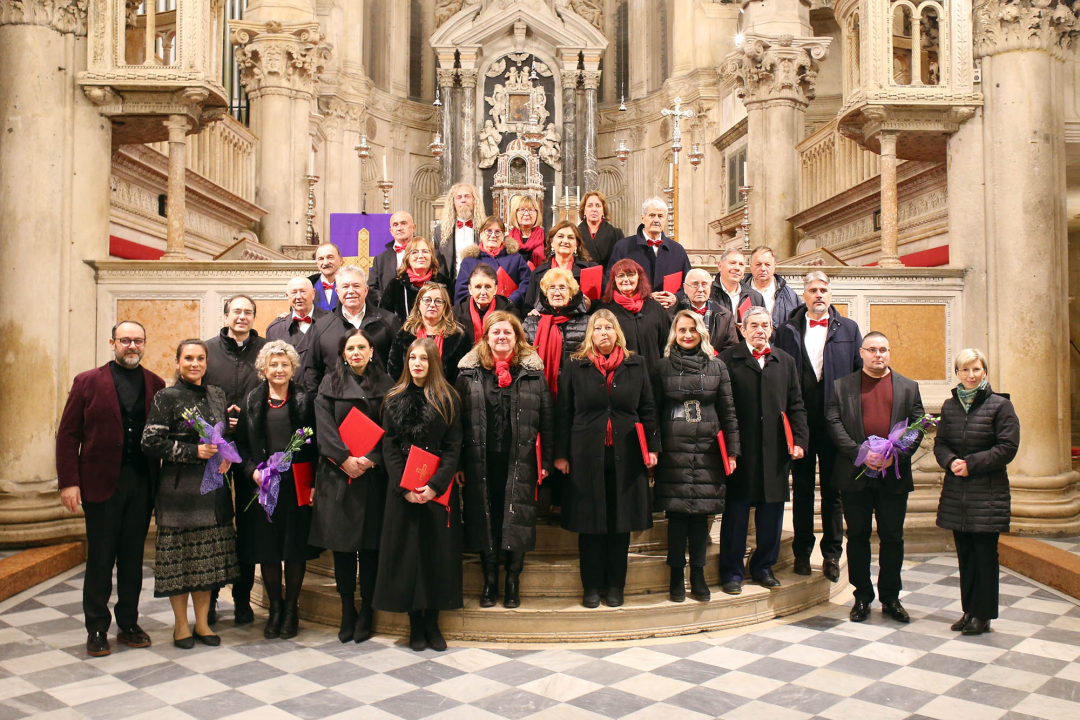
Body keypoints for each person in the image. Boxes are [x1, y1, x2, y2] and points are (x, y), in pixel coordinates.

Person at [56, 321, 166, 657]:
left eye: (138, 341)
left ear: (144, 344)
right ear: (112, 342)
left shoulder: (156, 384)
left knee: (133, 559)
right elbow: (68, 435)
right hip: (100, 483)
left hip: (142, 483)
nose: (132, 346)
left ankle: (129, 623)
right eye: (125, 340)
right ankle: (97, 627)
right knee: (101, 559)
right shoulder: (88, 381)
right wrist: (69, 482)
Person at [555, 310, 660, 608]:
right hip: (585, 455)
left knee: (620, 524)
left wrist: (653, 449)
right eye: (598, 327)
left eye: (609, 327)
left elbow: (648, 408)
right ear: (590, 333)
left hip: (628, 455)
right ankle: (591, 586)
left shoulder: (636, 363)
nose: (604, 332)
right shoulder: (575, 364)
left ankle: (616, 586)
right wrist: (561, 454)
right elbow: (564, 410)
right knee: (589, 524)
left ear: (617, 332)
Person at [141, 339, 240, 649]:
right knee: (180, 564)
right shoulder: (166, 397)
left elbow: (222, 435)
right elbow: (149, 443)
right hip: (179, 492)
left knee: (205, 564)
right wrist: (192, 451)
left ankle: (203, 624)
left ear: (206, 363)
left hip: (212, 492)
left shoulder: (216, 394)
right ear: (178, 362)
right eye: (188, 358)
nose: (194, 364)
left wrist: (226, 453)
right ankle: (181, 626)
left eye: (200, 358)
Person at [826, 331, 925, 623]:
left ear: (889, 352)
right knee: (857, 536)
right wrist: (860, 452)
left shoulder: (908, 387)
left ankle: (891, 597)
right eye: (872, 349)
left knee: (892, 537)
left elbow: (918, 424)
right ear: (862, 353)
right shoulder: (842, 386)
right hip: (855, 474)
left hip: (892, 475)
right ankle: (862, 596)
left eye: (883, 349)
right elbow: (833, 421)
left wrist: (898, 453)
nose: (878, 354)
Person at [455, 313, 553, 608]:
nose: (501, 337)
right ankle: (489, 581)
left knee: (517, 518)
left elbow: (547, 420)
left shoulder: (533, 373)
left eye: (507, 332)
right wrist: (459, 464)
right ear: (486, 337)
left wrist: (546, 460)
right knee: (485, 517)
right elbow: (456, 422)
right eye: (495, 332)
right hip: (480, 460)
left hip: (520, 460)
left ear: (517, 337)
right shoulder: (468, 374)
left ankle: (512, 580)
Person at [772, 271, 863, 583]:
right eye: (813, 290)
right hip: (801, 423)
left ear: (830, 294)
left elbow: (858, 375)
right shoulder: (786, 330)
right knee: (802, 490)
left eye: (823, 289)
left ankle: (832, 553)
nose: (819, 295)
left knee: (834, 491)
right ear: (805, 295)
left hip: (836, 424)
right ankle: (801, 552)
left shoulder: (849, 329)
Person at [374, 339, 464, 652]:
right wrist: (405, 487)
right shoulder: (394, 397)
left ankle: (433, 623)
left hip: (437, 490)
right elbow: (389, 446)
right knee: (408, 556)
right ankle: (415, 624)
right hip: (404, 491)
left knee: (436, 555)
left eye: (423, 358)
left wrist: (435, 486)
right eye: (412, 357)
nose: (416, 363)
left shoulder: (448, 398)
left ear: (433, 362)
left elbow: (453, 446)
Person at [310, 328, 395, 644]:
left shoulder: (387, 385)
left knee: (370, 550)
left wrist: (371, 459)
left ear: (372, 351)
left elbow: (392, 429)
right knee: (343, 550)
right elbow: (324, 429)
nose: (356, 353)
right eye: (350, 348)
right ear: (343, 354)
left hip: (373, 478)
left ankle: (368, 612)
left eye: (362, 347)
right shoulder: (328, 384)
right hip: (338, 478)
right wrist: (344, 458)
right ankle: (348, 609)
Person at [717, 307, 808, 595]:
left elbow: (796, 405)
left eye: (765, 325)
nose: (760, 330)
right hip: (741, 451)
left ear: (771, 329)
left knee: (772, 515)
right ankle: (732, 572)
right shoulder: (727, 360)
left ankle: (763, 568)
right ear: (742, 329)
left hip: (776, 450)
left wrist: (800, 440)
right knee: (736, 515)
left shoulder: (785, 361)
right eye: (753, 325)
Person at [235, 341, 319, 641]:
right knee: (268, 550)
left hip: (296, 485)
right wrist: (252, 471)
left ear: (293, 368)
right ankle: (274, 608)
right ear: (263, 369)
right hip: (264, 485)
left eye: (285, 364)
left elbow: (316, 446)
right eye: (273, 364)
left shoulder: (305, 400)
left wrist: (314, 483)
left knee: (294, 550)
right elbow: (241, 444)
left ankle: (291, 609)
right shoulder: (252, 400)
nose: (279, 369)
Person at [654, 311, 740, 602]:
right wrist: (654, 449)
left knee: (702, 515)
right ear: (674, 334)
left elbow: (728, 411)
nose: (687, 335)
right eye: (682, 330)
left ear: (701, 332)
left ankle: (699, 574)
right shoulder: (662, 366)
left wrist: (732, 450)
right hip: (674, 448)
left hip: (708, 449)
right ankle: (676, 575)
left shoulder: (717, 366)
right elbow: (653, 410)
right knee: (677, 515)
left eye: (692, 329)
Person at [934, 348, 1019, 635]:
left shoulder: (1000, 406)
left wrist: (971, 464)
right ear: (957, 373)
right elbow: (941, 443)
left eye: (976, 369)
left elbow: (1007, 447)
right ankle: (969, 610)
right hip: (957, 491)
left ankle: (983, 614)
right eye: (965, 370)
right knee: (966, 555)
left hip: (988, 493)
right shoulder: (950, 406)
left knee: (984, 555)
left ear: (984, 372)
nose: (971, 375)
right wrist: (950, 461)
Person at [204, 294, 267, 626]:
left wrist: (246, 416)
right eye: (236, 311)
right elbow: (194, 394)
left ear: (254, 317)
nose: (242, 317)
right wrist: (219, 421)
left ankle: (242, 598)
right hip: (213, 451)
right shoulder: (207, 350)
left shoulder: (266, 350)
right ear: (226, 315)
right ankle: (211, 597)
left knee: (249, 524)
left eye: (248, 312)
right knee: (215, 523)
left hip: (251, 450)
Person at [523, 267, 590, 523]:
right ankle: (539, 502)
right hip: (539, 394)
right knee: (541, 445)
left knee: (566, 446)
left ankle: (562, 503)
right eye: (552, 288)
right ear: (544, 292)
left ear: (572, 291)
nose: (557, 292)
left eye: (562, 287)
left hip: (572, 396)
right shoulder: (531, 322)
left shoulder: (587, 322)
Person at [302, 265, 401, 392]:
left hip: (379, 398)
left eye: (356, 286)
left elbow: (400, 366)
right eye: (345, 286)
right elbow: (312, 371)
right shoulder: (322, 326)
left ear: (366, 290)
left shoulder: (388, 321)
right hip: (336, 399)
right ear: (337, 292)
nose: (351, 291)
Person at [607, 197, 689, 310]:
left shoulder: (678, 250)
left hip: (668, 314)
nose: (656, 220)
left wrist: (676, 298)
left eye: (660, 216)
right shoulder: (623, 247)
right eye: (652, 215)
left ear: (665, 220)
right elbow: (611, 283)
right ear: (642, 218)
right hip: (634, 312)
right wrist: (645, 297)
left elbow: (688, 283)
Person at [598, 259, 670, 375]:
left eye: (630, 274)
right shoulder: (605, 310)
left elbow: (666, 343)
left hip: (653, 375)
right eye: (620, 275)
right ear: (614, 280)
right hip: (620, 376)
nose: (626, 279)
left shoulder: (655, 307)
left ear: (639, 278)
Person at [387, 282, 469, 384]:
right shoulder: (405, 334)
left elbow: (463, 375)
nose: (432, 305)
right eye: (427, 300)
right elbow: (394, 371)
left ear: (445, 306)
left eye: (438, 301)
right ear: (418, 304)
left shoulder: (458, 335)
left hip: (446, 391)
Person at [454, 216, 532, 307]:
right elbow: (462, 291)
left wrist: (512, 301)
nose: (493, 235)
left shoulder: (515, 258)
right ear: (481, 235)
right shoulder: (469, 261)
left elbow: (527, 283)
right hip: (478, 310)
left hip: (509, 308)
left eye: (498, 232)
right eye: (488, 231)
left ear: (503, 235)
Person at [522, 220, 598, 312]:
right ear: (551, 241)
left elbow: (605, 302)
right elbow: (527, 307)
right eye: (560, 236)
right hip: (545, 320)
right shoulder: (538, 273)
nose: (565, 241)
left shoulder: (590, 270)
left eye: (570, 237)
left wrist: (592, 305)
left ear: (576, 244)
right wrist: (532, 312)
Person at [378, 237, 451, 323]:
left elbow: (451, 315)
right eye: (415, 252)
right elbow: (384, 318)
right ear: (407, 258)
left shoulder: (445, 283)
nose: (420, 256)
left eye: (425, 251)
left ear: (432, 257)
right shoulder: (395, 285)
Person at [264, 277, 326, 377]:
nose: (298, 296)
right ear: (287, 296)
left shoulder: (330, 322)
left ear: (313, 294)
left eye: (303, 291)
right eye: (294, 292)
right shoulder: (275, 329)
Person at [452, 264, 521, 348]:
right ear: (470, 289)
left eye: (488, 287)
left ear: (495, 289)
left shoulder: (509, 312)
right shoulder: (456, 313)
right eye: (478, 287)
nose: (483, 292)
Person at [674, 268, 739, 354]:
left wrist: (715, 360)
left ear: (710, 287)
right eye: (695, 284)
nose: (700, 289)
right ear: (685, 288)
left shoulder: (725, 315)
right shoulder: (672, 314)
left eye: (704, 284)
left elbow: (731, 348)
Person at [434, 182, 486, 283]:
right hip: (452, 283)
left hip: (479, 283)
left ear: (474, 201)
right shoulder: (440, 231)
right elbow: (438, 263)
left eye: (467, 196)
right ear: (453, 203)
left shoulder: (485, 228)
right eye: (459, 197)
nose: (463, 200)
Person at [741, 246, 801, 329]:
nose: (763, 268)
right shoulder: (739, 292)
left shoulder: (790, 296)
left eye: (767, 264)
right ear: (751, 266)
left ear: (774, 266)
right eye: (758, 264)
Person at [368, 211, 417, 305]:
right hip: (389, 311)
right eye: (395, 225)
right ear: (391, 231)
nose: (399, 228)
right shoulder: (380, 259)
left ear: (413, 227)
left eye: (403, 223)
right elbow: (372, 288)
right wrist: (386, 300)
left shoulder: (429, 254)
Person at [710, 248, 764, 323]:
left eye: (741, 264)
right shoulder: (708, 293)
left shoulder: (755, 297)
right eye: (732, 263)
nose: (737, 268)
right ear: (720, 266)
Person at [578, 190, 624, 272]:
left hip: (608, 278)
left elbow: (622, 263)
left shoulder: (616, 234)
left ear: (603, 211)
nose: (594, 209)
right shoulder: (575, 233)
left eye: (598, 206)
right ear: (584, 210)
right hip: (581, 277)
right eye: (590, 206)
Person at [509, 195, 547, 268]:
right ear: (515, 213)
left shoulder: (545, 238)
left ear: (537, 213)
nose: (526, 214)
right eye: (522, 210)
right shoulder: (508, 239)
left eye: (530, 210)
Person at [310, 242, 345, 312]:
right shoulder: (309, 286)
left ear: (340, 260)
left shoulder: (352, 285)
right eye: (321, 259)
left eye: (330, 257)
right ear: (316, 263)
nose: (325, 263)